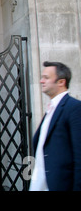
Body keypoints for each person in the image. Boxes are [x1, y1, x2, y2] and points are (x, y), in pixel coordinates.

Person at [29, 61, 81, 191]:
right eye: (42, 77)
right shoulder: (51, 109)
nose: (41, 81)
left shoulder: (74, 108)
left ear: (61, 82)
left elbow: (79, 155)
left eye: (46, 77)